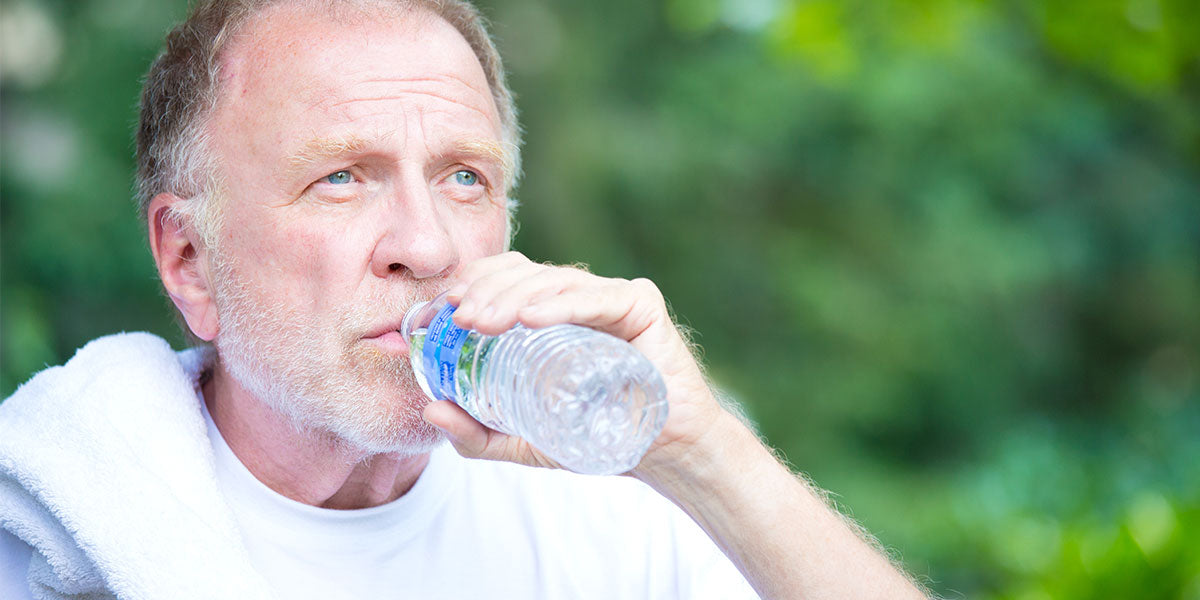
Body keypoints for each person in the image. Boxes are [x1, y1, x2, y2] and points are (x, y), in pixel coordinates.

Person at [0, 1, 930, 598]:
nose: (427, 246)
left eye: (463, 179)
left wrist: (707, 454)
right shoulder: (49, 531)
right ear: (190, 259)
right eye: (341, 177)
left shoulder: (611, 521)